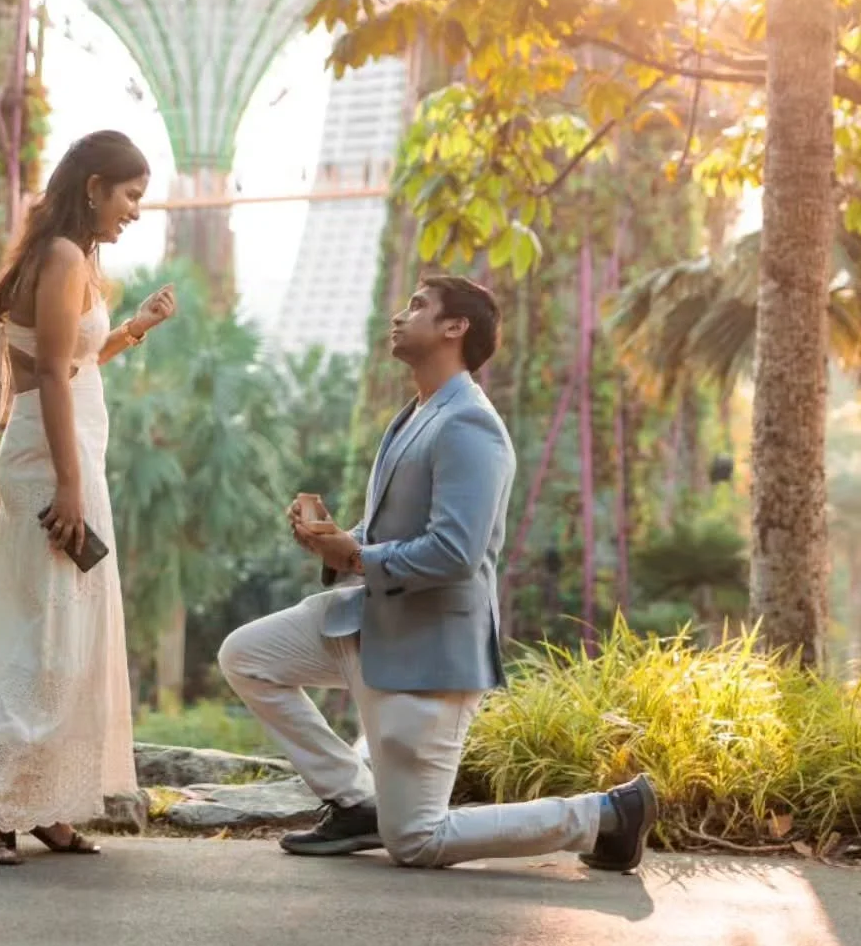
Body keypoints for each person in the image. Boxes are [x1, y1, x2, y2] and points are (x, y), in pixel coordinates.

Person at [218, 273, 656, 873]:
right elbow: (391, 533)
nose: (399, 316)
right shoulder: (416, 413)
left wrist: (357, 558)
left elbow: (454, 552)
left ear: (455, 327)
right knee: (247, 656)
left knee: (416, 840)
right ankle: (356, 801)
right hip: (364, 622)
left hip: (428, 651)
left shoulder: (470, 424)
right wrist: (335, 543)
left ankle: (606, 813)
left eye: (417, 305)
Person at [0, 131, 177, 865]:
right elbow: (54, 379)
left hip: (70, 452)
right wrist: (68, 484)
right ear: (94, 187)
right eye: (130, 196)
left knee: (68, 636)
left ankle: (39, 802)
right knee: (43, 638)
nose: (134, 211)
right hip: (53, 461)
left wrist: (135, 328)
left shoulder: (68, 257)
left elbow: (75, 361)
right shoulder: (62, 257)